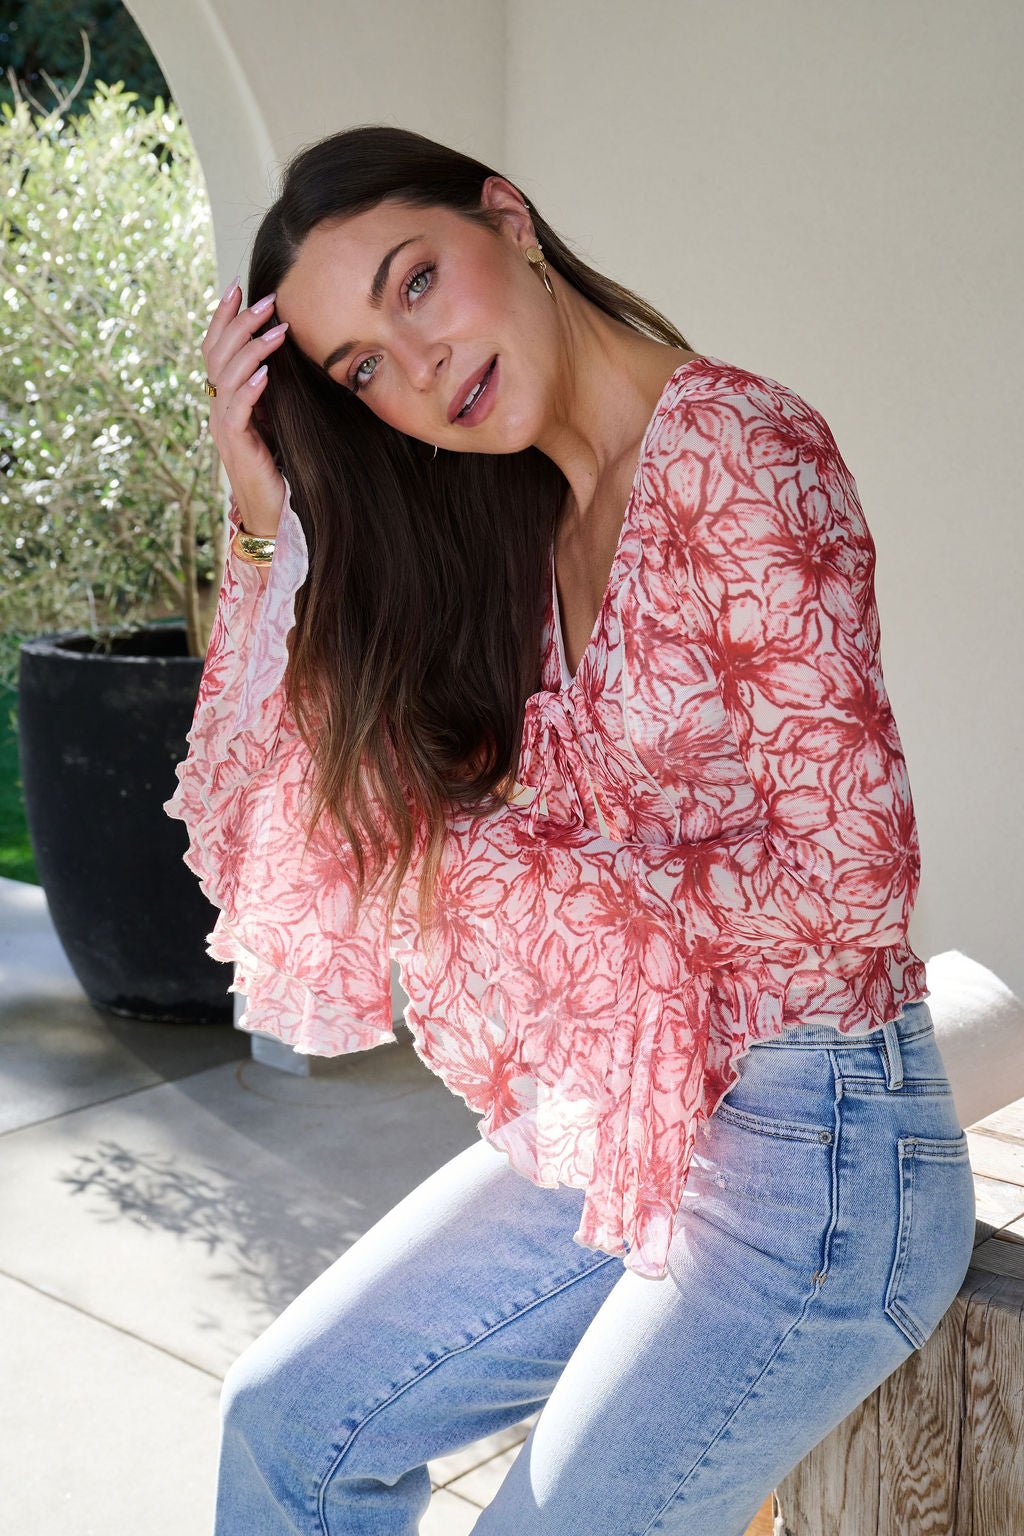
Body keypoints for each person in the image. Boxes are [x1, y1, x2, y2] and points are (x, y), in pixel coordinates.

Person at [165, 125, 976, 1534]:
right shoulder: (518, 518)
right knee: (284, 1429)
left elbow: (855, 885)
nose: (414, 368)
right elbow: (301, 819)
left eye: (416, 283)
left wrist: (545, 882)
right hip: (631, 1122)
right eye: (359, 366)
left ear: (510, 220)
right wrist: (261, 525)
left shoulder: (734, 443)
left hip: (820, 1164)